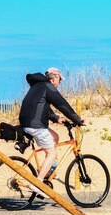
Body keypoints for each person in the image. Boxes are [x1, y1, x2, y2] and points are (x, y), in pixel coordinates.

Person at [18, 67, 84, 197]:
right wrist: (77, 119)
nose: (59, 83)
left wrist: (57, 118)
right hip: (35, 125)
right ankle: (38, 182)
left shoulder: (38, 86)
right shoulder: (48, 86)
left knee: (55, 137)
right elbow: (61, 103)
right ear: (54, 78)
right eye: (60, 80)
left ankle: (48, 169)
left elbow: (43, 107)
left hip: (29, 123)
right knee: (52, 153)